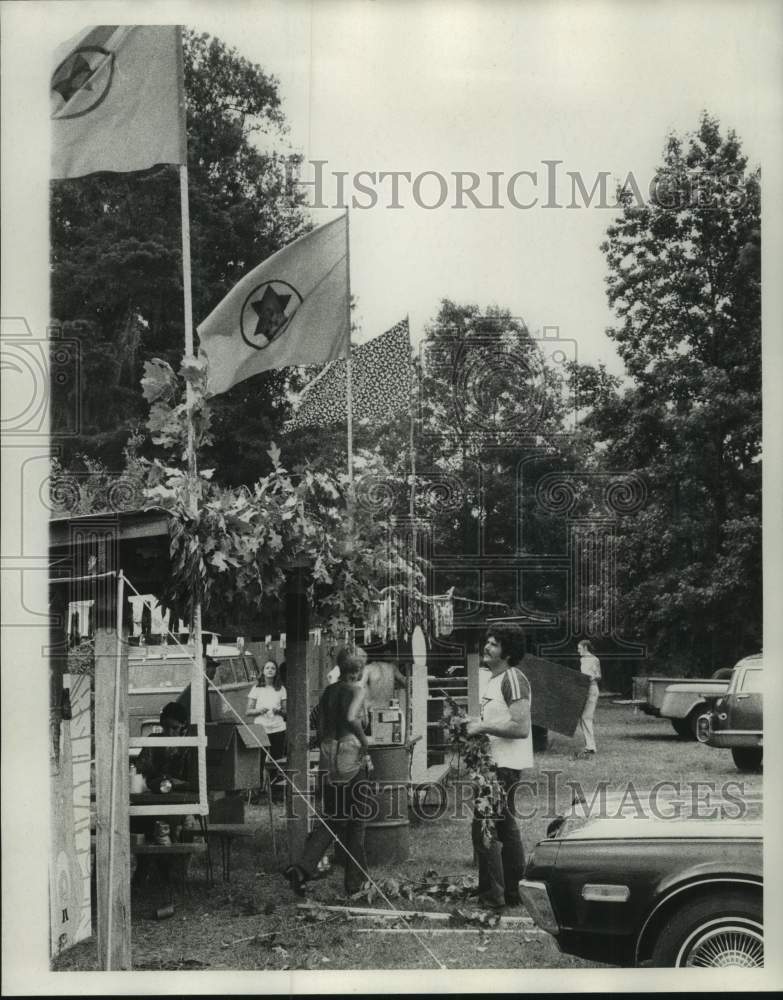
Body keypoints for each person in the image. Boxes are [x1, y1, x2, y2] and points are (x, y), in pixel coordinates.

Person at [284, 652, 373, 898]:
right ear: (358, 671)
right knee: (357, 821)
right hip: (349, 753)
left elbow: (321, 727)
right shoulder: (357, 690)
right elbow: (352, 717)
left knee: (332, 818)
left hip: (328, 754)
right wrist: (365, 744)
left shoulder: (328, 692)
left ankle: (302, 868)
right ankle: (356, 884)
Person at [465, 625, 532, 910]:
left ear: (508, 651)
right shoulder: (494, 679)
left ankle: (495, 895)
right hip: (490, 765)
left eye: (494, 644)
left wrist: (481, 726)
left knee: (488, 828)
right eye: (487, 642)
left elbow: (521, 727)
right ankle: (508, 892)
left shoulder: (514, 678)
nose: (487, 647)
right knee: (500, 827)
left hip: (503, 767)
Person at [132, 701, 197, 888]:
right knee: (137, 822)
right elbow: (139, 768)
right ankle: (145, 868)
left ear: (184, 727)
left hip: (179, 803)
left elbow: (195, 782)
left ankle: (169, 875)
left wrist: (177, 784)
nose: (169, 733)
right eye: (166, 727)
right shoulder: (154, 740)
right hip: (151, 800)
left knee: (167, 825)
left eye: (175, 728)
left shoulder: (189, 746)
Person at [247, 658, 287, 791]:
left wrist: (279, 711)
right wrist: (259, 710)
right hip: (261, 728)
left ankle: (274, 790)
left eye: (273, 668)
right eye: (267, 668)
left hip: (278, 728)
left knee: (276, 760)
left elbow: (286, 713)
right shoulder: (256, 688)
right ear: (263, 671)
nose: (270, 670)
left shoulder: (281, 689)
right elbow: (248, 711)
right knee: (259, 760)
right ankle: (258, 790)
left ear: (276, 672)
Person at [575, 639, 601, 759]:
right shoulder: (582, 659)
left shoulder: (594, 659)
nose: (578, 650)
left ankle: (591, 746)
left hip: (592, 689)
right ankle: (589, 745)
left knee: (586, 717)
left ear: (585, 648)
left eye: (579, 648)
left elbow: (598, 675)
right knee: (583, 718)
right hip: (584, 690)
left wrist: (591, 678)